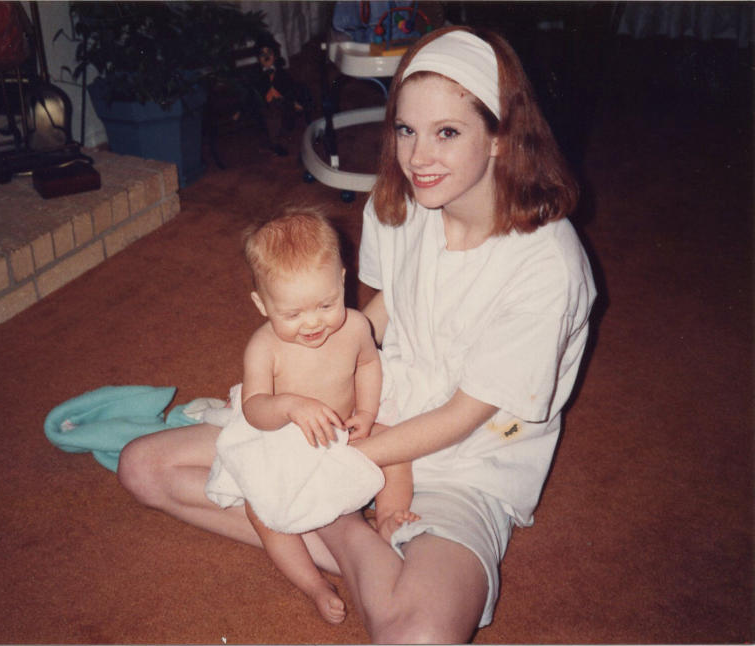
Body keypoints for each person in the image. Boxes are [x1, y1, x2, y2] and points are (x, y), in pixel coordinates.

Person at [118, 25, 596, 643]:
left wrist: (334, 468)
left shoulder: (547, 266)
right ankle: (346, 530)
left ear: (502, 133)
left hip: (468, 459)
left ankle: (336, 529)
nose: (419, 157)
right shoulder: (400, 205)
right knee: (143, 469)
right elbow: (385, 308)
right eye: (405, 129)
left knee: (416, 635)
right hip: (365, 412)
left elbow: (463, 415)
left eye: (447, 132)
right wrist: (299, 369)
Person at [205, 207, 416, 624]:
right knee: (262, 511)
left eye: (325, 304)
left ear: (342, 281)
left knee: (399, 448)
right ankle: (312, 583)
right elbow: (255, 409)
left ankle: (390, 517)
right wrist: (289, 406)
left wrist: (367, 412)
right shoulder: (263, 347)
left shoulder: (355, 326)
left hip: (340, 431)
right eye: (293, 314)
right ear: (262, 305)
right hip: (283, 437)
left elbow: (368, 366)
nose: (313, 323)